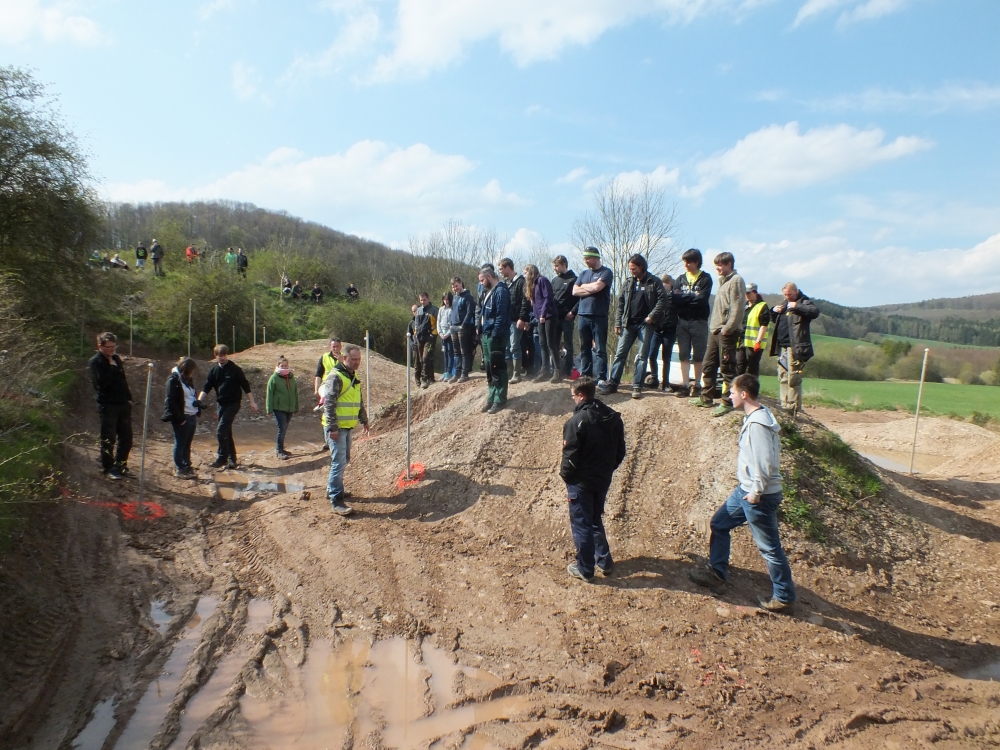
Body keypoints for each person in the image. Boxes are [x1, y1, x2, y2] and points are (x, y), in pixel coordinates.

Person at [689, 373, 796, 612]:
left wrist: (756, 492)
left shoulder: (758, 425)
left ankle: (784, 595)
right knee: (719, 524)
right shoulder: (757, 416)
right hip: (746, 490)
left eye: (732, 392)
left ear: (744, 394)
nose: (729, 396)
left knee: (769, 548)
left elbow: (765, 463)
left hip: (758, 495)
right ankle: (717, 574)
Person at [561, 376, 627, 582]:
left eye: (573, 396)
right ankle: (604, 562)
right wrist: (608, 469)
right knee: (595, 519)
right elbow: (621, 451)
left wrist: (567, 477)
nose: (573, 399)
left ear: (581, 395)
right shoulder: (612, 417)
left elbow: (569, 457)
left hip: (581, 482)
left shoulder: (576, 422)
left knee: (581, 524)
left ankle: (585, 569)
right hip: (603, 478)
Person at [600, 254, 666, 399]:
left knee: (642, 356)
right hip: (628, 324)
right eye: (630, 269)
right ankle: (613, 384)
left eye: (633, 268)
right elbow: (621, 303)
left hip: (645, 325)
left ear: (641, 267)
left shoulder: (654, 281)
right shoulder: (628, 282)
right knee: (619, 354)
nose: (631, 271)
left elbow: (663, 300)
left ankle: (637, 386)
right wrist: (618, 322)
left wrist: (652, 316)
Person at [692, 252, 746, 417]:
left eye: (720, 265)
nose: (717, 268)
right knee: (708, 364)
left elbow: (737, 308)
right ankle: (706, 397)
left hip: (727, 332)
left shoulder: (736, 280)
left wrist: (728, 328)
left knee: (727, 368)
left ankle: (728, 402)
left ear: (729, 264)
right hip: (715, 330)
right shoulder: (723, 282)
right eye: (716, 265)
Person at [323, 344, 370, 516]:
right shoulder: (336, 377)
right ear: (344, 358)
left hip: (347, 426)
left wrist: (364, 420)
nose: (357, 362)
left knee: (344, 459)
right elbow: (329, 404)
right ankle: (336, 499)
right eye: (353, 359)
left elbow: (358, 401)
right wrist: (332, 427)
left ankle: (332, 488)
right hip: (337, 428)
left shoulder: (352, 376)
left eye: (358, 359)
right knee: (339, 462)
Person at [198, 344, 259, 470]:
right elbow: (207, 387)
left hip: (233, 404)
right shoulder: (214, 371)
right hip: (221, 404)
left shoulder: (235, 369)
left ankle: (222, 457)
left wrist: (252, 402)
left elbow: (246, 387)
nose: (222, 358)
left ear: (227, 355)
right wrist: (198, 400)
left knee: (221, 431)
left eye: (224, 355)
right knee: (226, 431)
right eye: (219, 356)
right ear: (215, 356)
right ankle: (232, 459)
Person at [769, 282, 820, 414]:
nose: (787, 297)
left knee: (793, 378)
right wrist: (773, 311)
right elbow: (773, 320)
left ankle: (793, 408)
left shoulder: (804, 302)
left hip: (795, 347)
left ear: (796, 292)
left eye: (790, 294)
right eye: (785, 295)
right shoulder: (784, 304)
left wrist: (797, 306)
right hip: (782, 346)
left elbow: (814, 312)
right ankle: (784, 404)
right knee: (783, 376)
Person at [89, 333, 133, 480]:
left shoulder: (116, 359)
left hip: (123, 404)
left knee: (126, 438)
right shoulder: (96, 362)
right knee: (109, 438)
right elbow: (101, 383)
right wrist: (111, 368)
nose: (112, 350)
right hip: (107, 405)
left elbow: (123, 380)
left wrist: (129, 398)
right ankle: (108, 467)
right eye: (108, 347)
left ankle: (121, 465)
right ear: (100, 346)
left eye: (114, 346)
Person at [673, 248, 712, 398]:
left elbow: (701, 300)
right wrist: (691, 296)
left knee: (698, 355)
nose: (686, 265)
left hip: (699, 322)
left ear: (696, 262)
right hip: (682, 321)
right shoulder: (680, 279)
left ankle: (696, 384)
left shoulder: (705, 279)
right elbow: (675, 299)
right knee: (683, 354)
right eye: (684, 262)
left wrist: (684, 297)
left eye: (688, 262)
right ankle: (684, 384)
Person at [573, 246, 614, 383]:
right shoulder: (583, 273)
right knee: (584, 348)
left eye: (588, 258)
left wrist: (584, 287)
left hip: (599, 316)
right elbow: (574, 291)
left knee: (600, 349)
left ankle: (601, 378)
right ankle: (586, 376)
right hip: (583, 315)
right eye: (584, 258)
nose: (585, 261)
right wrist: (590, 288)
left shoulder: (606, 272)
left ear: (596, 258)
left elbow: (597, 287)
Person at [479, 266, 511, 414]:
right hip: (486, 334)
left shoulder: (501, 291)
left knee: (497, 366)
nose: (481, 283)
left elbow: (501, 316)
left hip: (495, 335)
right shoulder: (488, 292)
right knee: (489, 367)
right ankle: (491, 396)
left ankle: (500, 399)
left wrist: (495, 334)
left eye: (482, 280)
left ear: (489, 277)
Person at [163, 357, 200, 478]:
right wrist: (180, 418)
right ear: (186, 369)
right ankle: (179, 468)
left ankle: (186, 465)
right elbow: (171, 402)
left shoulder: (187, 379)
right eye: (191, 370)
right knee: (180, 443)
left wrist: (197, 405)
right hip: (183, 416)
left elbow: (190, 396)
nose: (193, 372)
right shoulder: (173, 380)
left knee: (187, 443)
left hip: (191, 414)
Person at [524, 264, 561, 382]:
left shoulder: (542, 280)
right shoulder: (532, 285)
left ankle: (558, 372)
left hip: (549, 316)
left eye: (526, 273)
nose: (525, 275)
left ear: (531, 272)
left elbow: (548, 297)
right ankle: (545, 370)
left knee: (551, 343)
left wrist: (543, 314)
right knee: (542, 343)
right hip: (540, 317)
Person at [498, 258, 532, 384]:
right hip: (506, 320)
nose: (500, 271)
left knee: (514, 346)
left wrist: (522, 318)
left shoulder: (521, 281)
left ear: (508, 268)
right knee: (507, 347)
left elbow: (525, 301)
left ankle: (517, 374)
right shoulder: (506, 283)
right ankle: (509, 372)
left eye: (501, 269)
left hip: (516, 320)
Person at [645, 274, 677, 391]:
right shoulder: (657, 296)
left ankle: (666, 383)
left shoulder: (675, 297)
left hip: (670, 331)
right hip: (657, 330)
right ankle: (654, 379)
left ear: (670, 284)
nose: (662, 287)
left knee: (666, 358)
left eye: (664, 285)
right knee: (652, 355)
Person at [550, 255, 579, 379]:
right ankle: (556, 370)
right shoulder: (554, 280)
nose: (555, 268)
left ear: (564, 265)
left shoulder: (574, 279)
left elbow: (579, 299)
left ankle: (567, 371)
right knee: (554, 344)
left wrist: (573, 312)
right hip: (555, 318)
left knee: (568, 345)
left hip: (567, 318)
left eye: (557, 266)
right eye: (554, 266)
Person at [266, 355, 299, 459]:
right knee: (282, 428)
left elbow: (295, 392)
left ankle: (281, 449)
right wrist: (269, 409)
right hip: (279, 408)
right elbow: (269, 394)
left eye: (286, 366)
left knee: (285, 428)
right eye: (282, 366)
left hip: (289, 408)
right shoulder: (274, 378)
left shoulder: (291, 377)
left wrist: (296, 407)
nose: (284, 368)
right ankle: (278, 450)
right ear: (278, 366)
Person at [736, 283, 771, 378]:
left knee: (752, 369)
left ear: (755, 293)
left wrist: (758, 342)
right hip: (741, 341)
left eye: (748, 293)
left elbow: (764, 325)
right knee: (739, 367)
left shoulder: (762, 306)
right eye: (745, 293)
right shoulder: (744, 306)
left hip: (753, 344)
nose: (746, 295)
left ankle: (752, 387)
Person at [449, 276, 476, 383]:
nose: (455, 288)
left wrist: (463, 325)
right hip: (453, 327)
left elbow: (470, 312)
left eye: (456, 286)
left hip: (463, 327)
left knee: (464, 351)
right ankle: (457, 373)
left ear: (460, 283)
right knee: (456, 352)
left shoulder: (468, 296)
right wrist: (451, 324)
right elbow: (453, 311)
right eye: (453, 287)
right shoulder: (455, 297)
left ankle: (464, 373)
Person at [414, 292, 439, 389]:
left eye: (424, 300)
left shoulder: (434, 310)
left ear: (428, 299)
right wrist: (416, 334)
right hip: (420, 338)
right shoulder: (419, 310)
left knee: (426, 357)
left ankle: (424, 379)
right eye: (421, 300)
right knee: (422, 359)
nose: (423, 302)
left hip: (430, 337)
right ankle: (431, 377)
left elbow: (438, 323)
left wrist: (433, 335)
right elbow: (416, 324)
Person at [438, 291, 455, 381]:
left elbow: (453, 324)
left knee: (450, 353)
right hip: (442, 334)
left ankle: (449, 372)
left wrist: (447, 334)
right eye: (444, 299)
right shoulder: (441, 309)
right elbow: (438, 322)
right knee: (445, 353)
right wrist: (440, 333)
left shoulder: (453, 309)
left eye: (447, 299)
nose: (446, 301)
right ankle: (445, 372)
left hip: (450, 334)